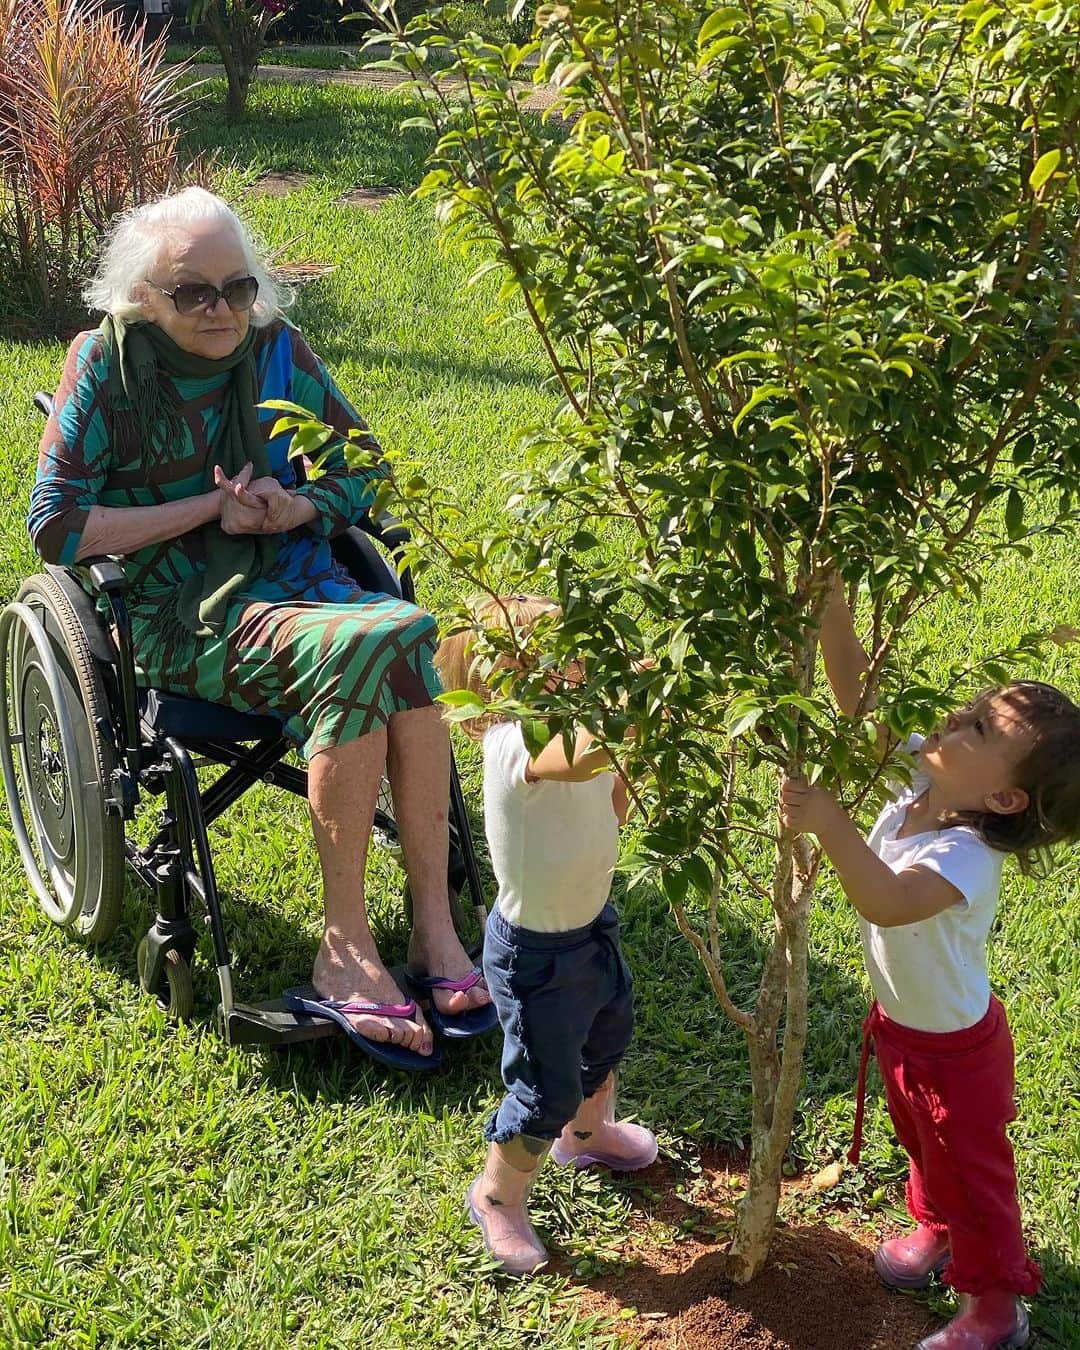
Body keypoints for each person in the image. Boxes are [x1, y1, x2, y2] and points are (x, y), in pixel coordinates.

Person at [27, 186, 493, 1070]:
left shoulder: (281, 352)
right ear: (140, 298)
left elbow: (370, 473)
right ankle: (345, 945)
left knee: (401, 628)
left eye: (236, 288)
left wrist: (295, 507)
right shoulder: (104, 364)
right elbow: (56, 523)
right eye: (191, 291)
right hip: (176, 611)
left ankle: (433, 927)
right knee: (380, 638)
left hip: (298, 583)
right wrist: (210, 508)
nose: (220, 309)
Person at [779, 580, 1080, 1350]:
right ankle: (937, 1229)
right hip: (906, 1029)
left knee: (975, 1174)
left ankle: (993, 1307)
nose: (953, 718)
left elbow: (883, 899)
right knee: (921, 1143)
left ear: (1007, 799)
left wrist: (827, 823)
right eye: (972, 707)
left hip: (957, 1052)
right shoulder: (922, 780)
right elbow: (856, 695)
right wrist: (831, 600)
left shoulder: (966, 857)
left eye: (978, 726)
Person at [435, 595, 658, 1275]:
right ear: (500, 689)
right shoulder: (514, 746)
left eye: (579, 653)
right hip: (534, 958)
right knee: (542, 1088)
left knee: (604, 1038)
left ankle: (586, 1136)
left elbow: (611, 794)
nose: (579, 666)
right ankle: (497, 1196)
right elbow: (588, 756)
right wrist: (649, 687)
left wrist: (644, 746)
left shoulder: (578, 740)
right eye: (555, 659)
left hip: (591, 928)